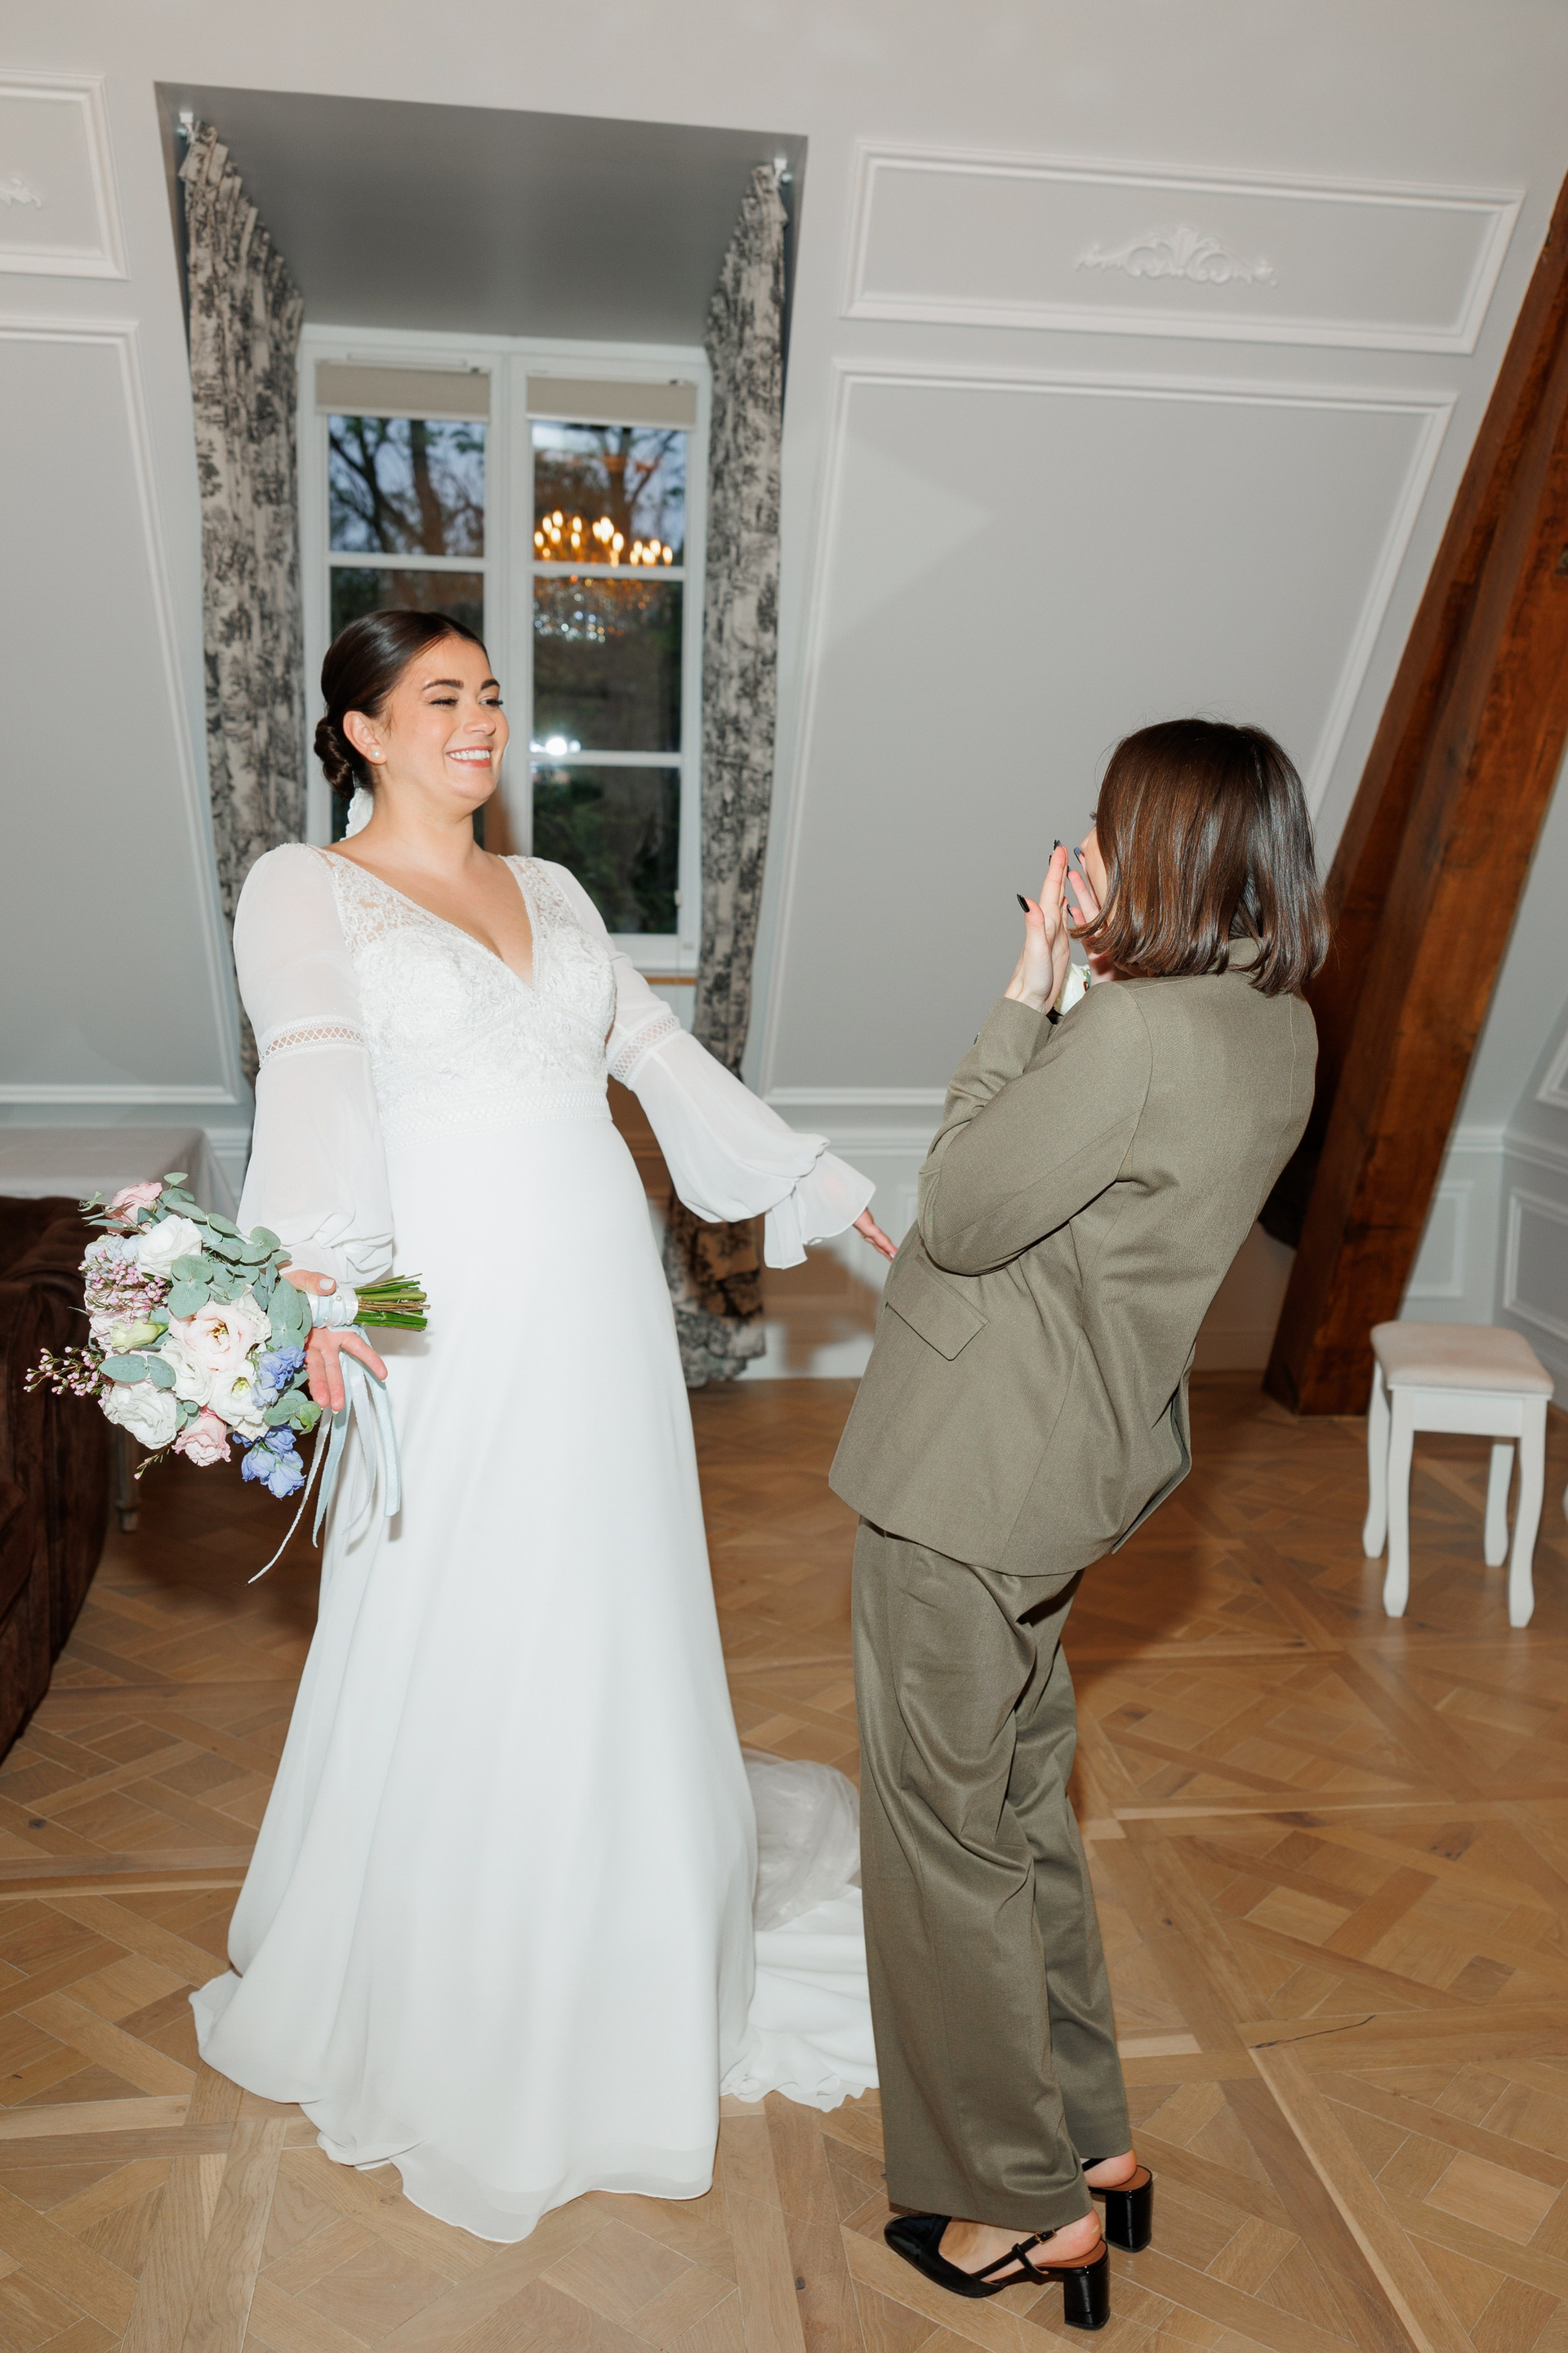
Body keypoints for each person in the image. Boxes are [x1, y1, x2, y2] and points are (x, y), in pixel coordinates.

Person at [190, 608, 896, 2243]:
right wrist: (326, 1295)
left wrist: (808, 1180)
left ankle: (621, 1925)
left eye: (492, 695)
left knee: (607, 1597)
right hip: (437, 1314)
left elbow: (661, 1058)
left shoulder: (560, 891)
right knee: (459, 1602)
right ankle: (457, 1963)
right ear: (362, 729)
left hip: (598, 1310)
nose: (480, 720)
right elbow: (313, 1083)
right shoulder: (304, 887)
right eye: (441, 696)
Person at [831, 719, 1327, 2332]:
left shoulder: (1135, 1033)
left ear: (1169, 847)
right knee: (1022, 1803)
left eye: (1107, 832)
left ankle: (1019, 2200)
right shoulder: (1278, 1024)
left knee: (946, 1837)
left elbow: (963, 1204)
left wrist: (1026, 994)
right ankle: (1093, 2141)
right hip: (1068, 1477)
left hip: (968, 1475)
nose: (1084, 855)